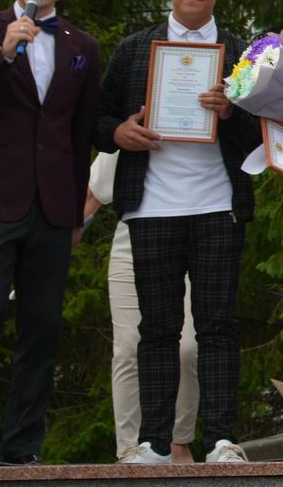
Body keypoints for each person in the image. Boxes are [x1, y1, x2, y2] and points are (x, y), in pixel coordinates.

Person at [96, 0, 257, 465]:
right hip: (152, 208)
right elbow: (97, 122)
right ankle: (155, 443)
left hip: (217, 207)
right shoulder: (133, 48)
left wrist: (232, 111)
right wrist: (120, 132)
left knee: (217, 326)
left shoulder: (240, 53)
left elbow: (263, 135)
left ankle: (223, 441)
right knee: (158, 330)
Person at [0, 0, 100, 465]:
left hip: (54, 210)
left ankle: (21, 449)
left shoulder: (82, 46)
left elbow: (80, 132)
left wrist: (77, 205)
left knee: (40, 330)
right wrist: (4, 51)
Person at [84, 152, 200, 463]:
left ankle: (178, 443)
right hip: (130, 250)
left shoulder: (201, 117)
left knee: (187, 347)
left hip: (193, 246)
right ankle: (128, 451)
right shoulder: (132, 122)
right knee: (128, 349)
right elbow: (93, 193)